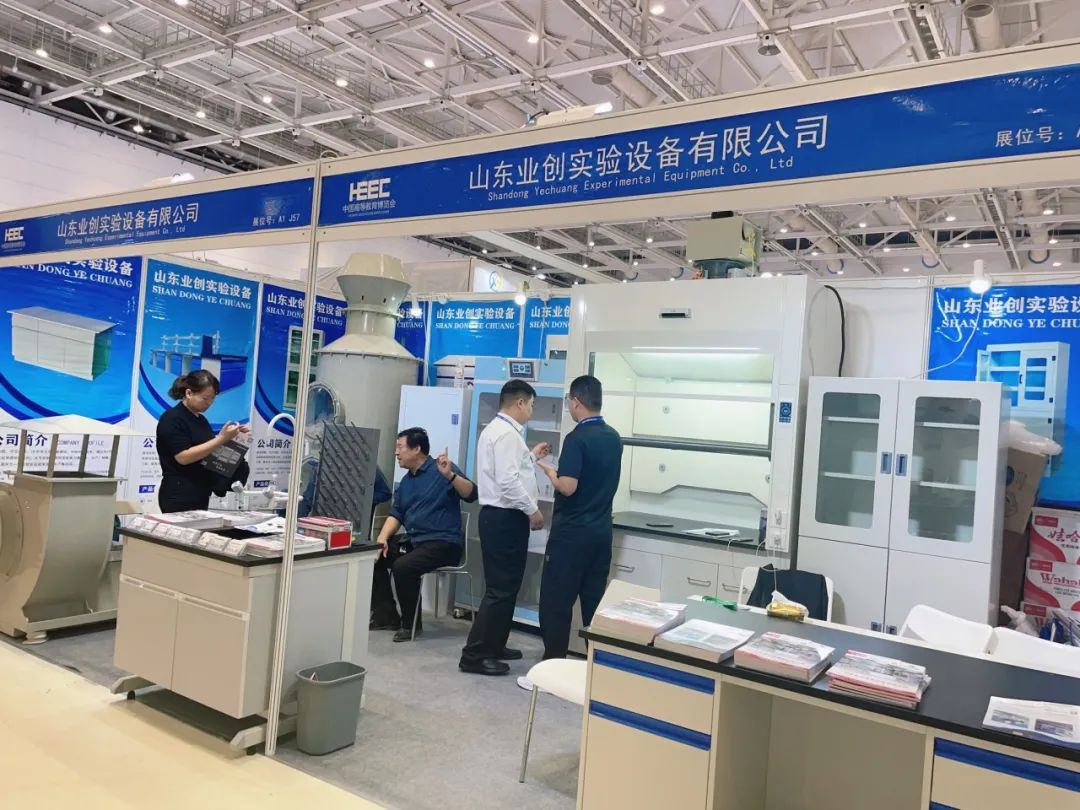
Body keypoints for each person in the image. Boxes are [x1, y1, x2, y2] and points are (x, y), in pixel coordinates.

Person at [530, 375, 622, 674]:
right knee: (594, 603)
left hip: (571, 535)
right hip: (600, 533)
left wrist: (549, 473)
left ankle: (553, 666)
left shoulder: (577, 438)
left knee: (556, 602)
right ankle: (599, 668)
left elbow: (568, 487)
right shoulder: (614, 437)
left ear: (576, 402)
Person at [459, 380, 549, 676]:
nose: (531, 411)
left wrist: (531, 457)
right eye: (531, 405)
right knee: (500, 590)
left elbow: (511, 470)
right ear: (520, 403)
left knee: (506, 587)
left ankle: (495, 645)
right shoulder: (507, 434)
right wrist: (532, 510)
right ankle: (474, 655)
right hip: (505, 518)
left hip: (499, 518)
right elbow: (508, 482)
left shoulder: (498, 430)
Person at [371, 428, 477, 643]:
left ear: (417, 448)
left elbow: (471, 494)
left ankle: (410, 625)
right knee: (374, 556)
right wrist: (381, 539)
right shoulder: (407, 481)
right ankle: (386, 616)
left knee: (403, 567)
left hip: (443, 543)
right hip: (415, 541)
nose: (396, 453)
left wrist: (450, 476)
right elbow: (396, 514)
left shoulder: (441, 469)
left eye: (400, 447)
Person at [156, 370, 250, 513]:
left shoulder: (201, 420)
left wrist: (232, 438)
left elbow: (208, 451)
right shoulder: (172, 419)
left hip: (200, 490)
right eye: (205, 398)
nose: (209, 403)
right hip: (179, 492)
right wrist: (221, 439)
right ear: (189, 393)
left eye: (212, 399)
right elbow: (183, 457)